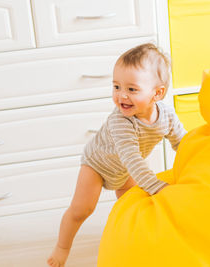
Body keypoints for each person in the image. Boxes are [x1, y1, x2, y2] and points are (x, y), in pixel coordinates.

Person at [47, 43, 187, 267]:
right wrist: (159, 187)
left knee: (132, 208)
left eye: (132, 89)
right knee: (82, 209)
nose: (122, 95)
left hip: (124, 170)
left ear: (157, 93)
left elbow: (182, 142)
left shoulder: (167, 116)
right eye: (116, 86)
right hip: (98, 165)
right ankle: (62, 247)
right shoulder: (120, 121)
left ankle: (131, 244)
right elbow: (133, 160)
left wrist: (195, 159)